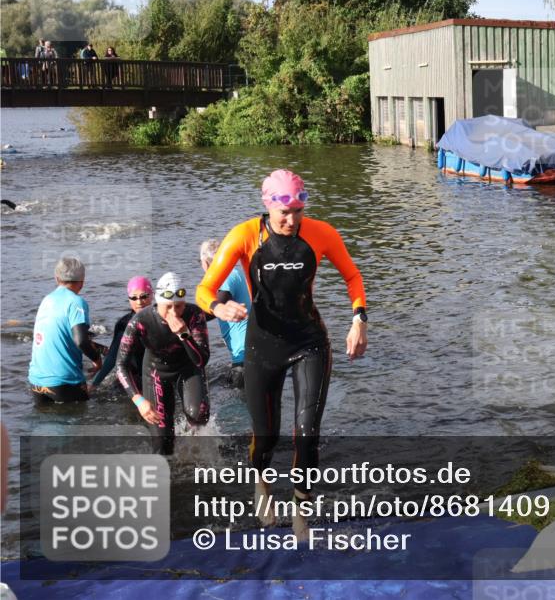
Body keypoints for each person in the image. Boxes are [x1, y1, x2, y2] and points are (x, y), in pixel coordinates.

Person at [197, 169, 368, 536]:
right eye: (283, 215)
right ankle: (261, 483)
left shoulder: (321, 233)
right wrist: (218, 307)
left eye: (298, 212)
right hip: (263, 347)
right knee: (266, 437)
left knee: (307, 431)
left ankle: (301, 513)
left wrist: (358, 320)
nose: (292, 221)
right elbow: (205, 289)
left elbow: (352, 276)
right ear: (268, 207)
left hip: (309, 342)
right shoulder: (244, 236)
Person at [116, 273, 210, 455]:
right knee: (162, 445)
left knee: (199, 415)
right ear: (157, 302)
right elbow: (121, 364)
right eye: (168, 307)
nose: (174, 313)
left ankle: (194, 453)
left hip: (188, 368)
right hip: (156, 372)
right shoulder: (140, 321)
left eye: (179, 306)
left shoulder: (194, 315)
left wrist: (184, 334)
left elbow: (201, 359)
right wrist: (139, 400)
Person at [28, 257, 106, 403]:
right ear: (82, 281)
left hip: (36, 383)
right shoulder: (76, 302)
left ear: (56, 278)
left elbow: (63, 336)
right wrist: (97, 360)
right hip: (64, 383)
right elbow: (81, 340)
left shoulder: (46, 300)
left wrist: (102, 349)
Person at [199, 239, 249, 388]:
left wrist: (183, 316)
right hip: (252, 351)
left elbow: (213, 311)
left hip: (244, 356)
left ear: (206, 264)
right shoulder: (236, 272)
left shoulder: (226, 277)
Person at [91, 276, 152, 391]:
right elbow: (113, 357)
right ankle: (100, 349)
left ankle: (101, 349)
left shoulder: (163, 319)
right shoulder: (123, 324)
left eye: (144, 296)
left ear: (152, 295)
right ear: (129, 299)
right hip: (133, 375)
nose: (139, 302)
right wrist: (95, 384)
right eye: (134, 298)